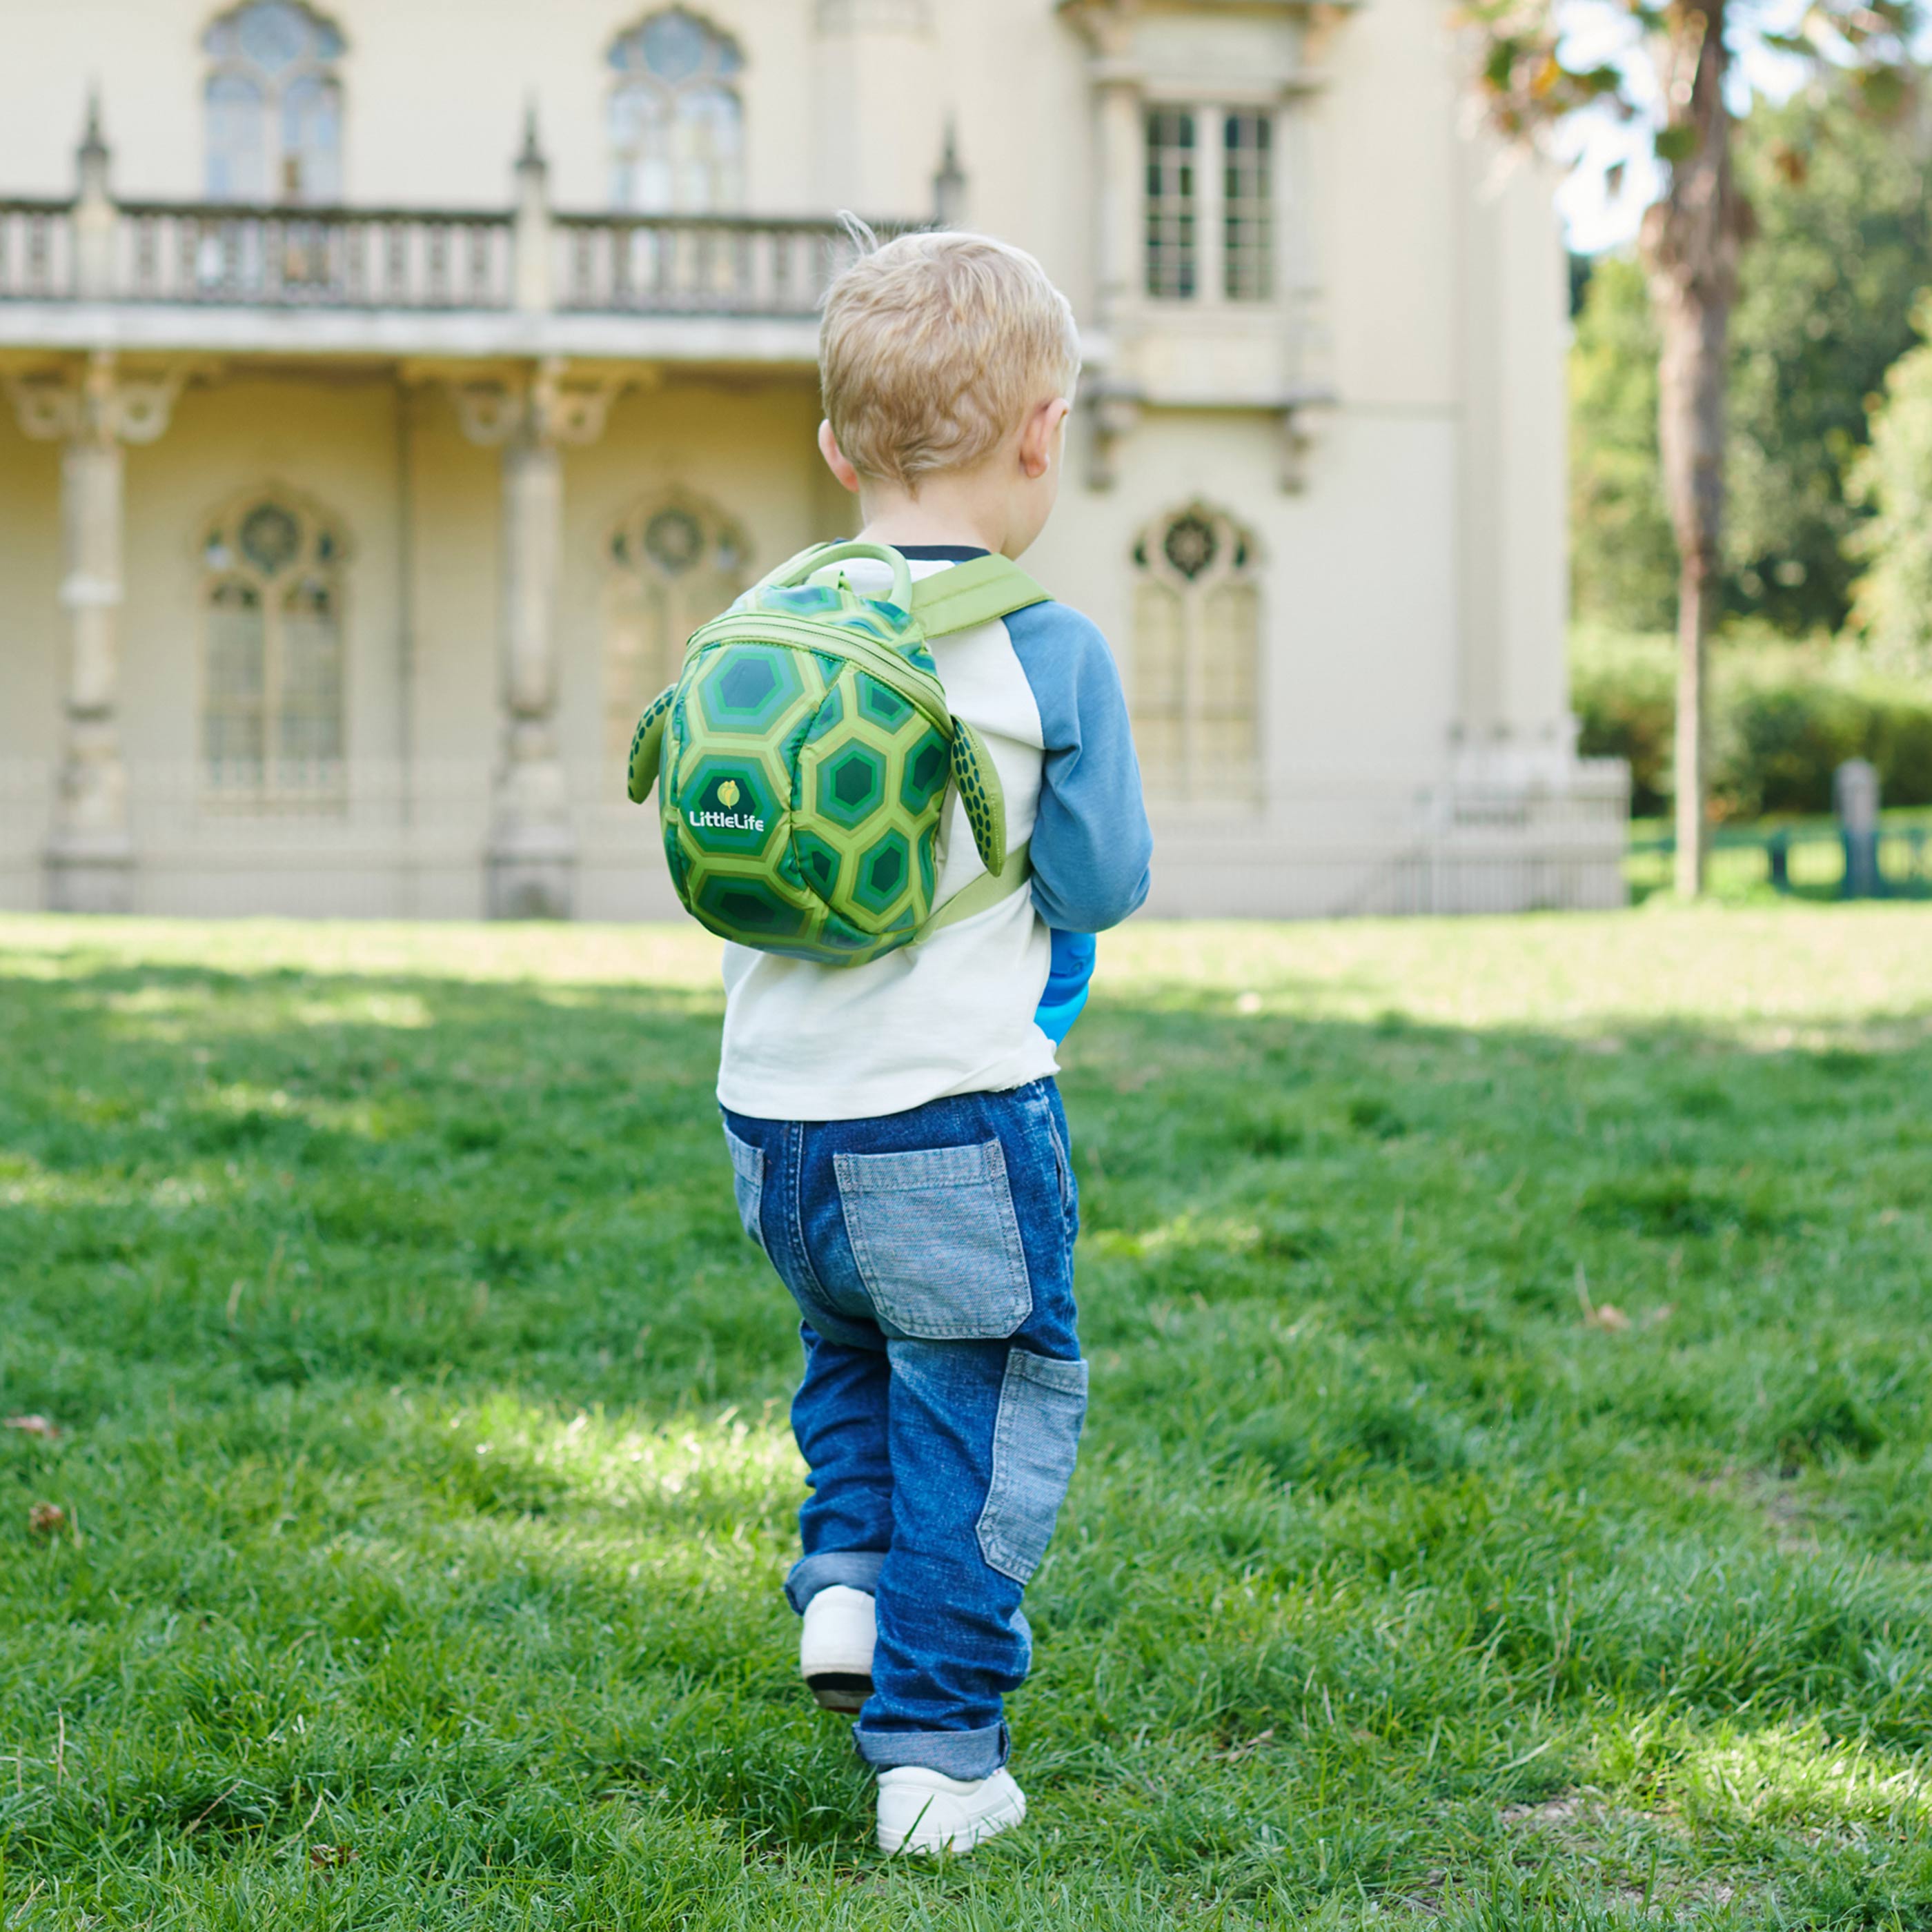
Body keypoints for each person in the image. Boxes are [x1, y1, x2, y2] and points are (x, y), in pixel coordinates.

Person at [717, 230, 1152, 1856]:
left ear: (837, 448)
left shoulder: (767, 612)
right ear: (1043, 434)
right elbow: (1098, 883)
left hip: (773, 1123)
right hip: (951, 1120)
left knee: (849, 1345)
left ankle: (843, 1582)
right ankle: (938, 1752)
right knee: (982, 1399)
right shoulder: (1046, 647)